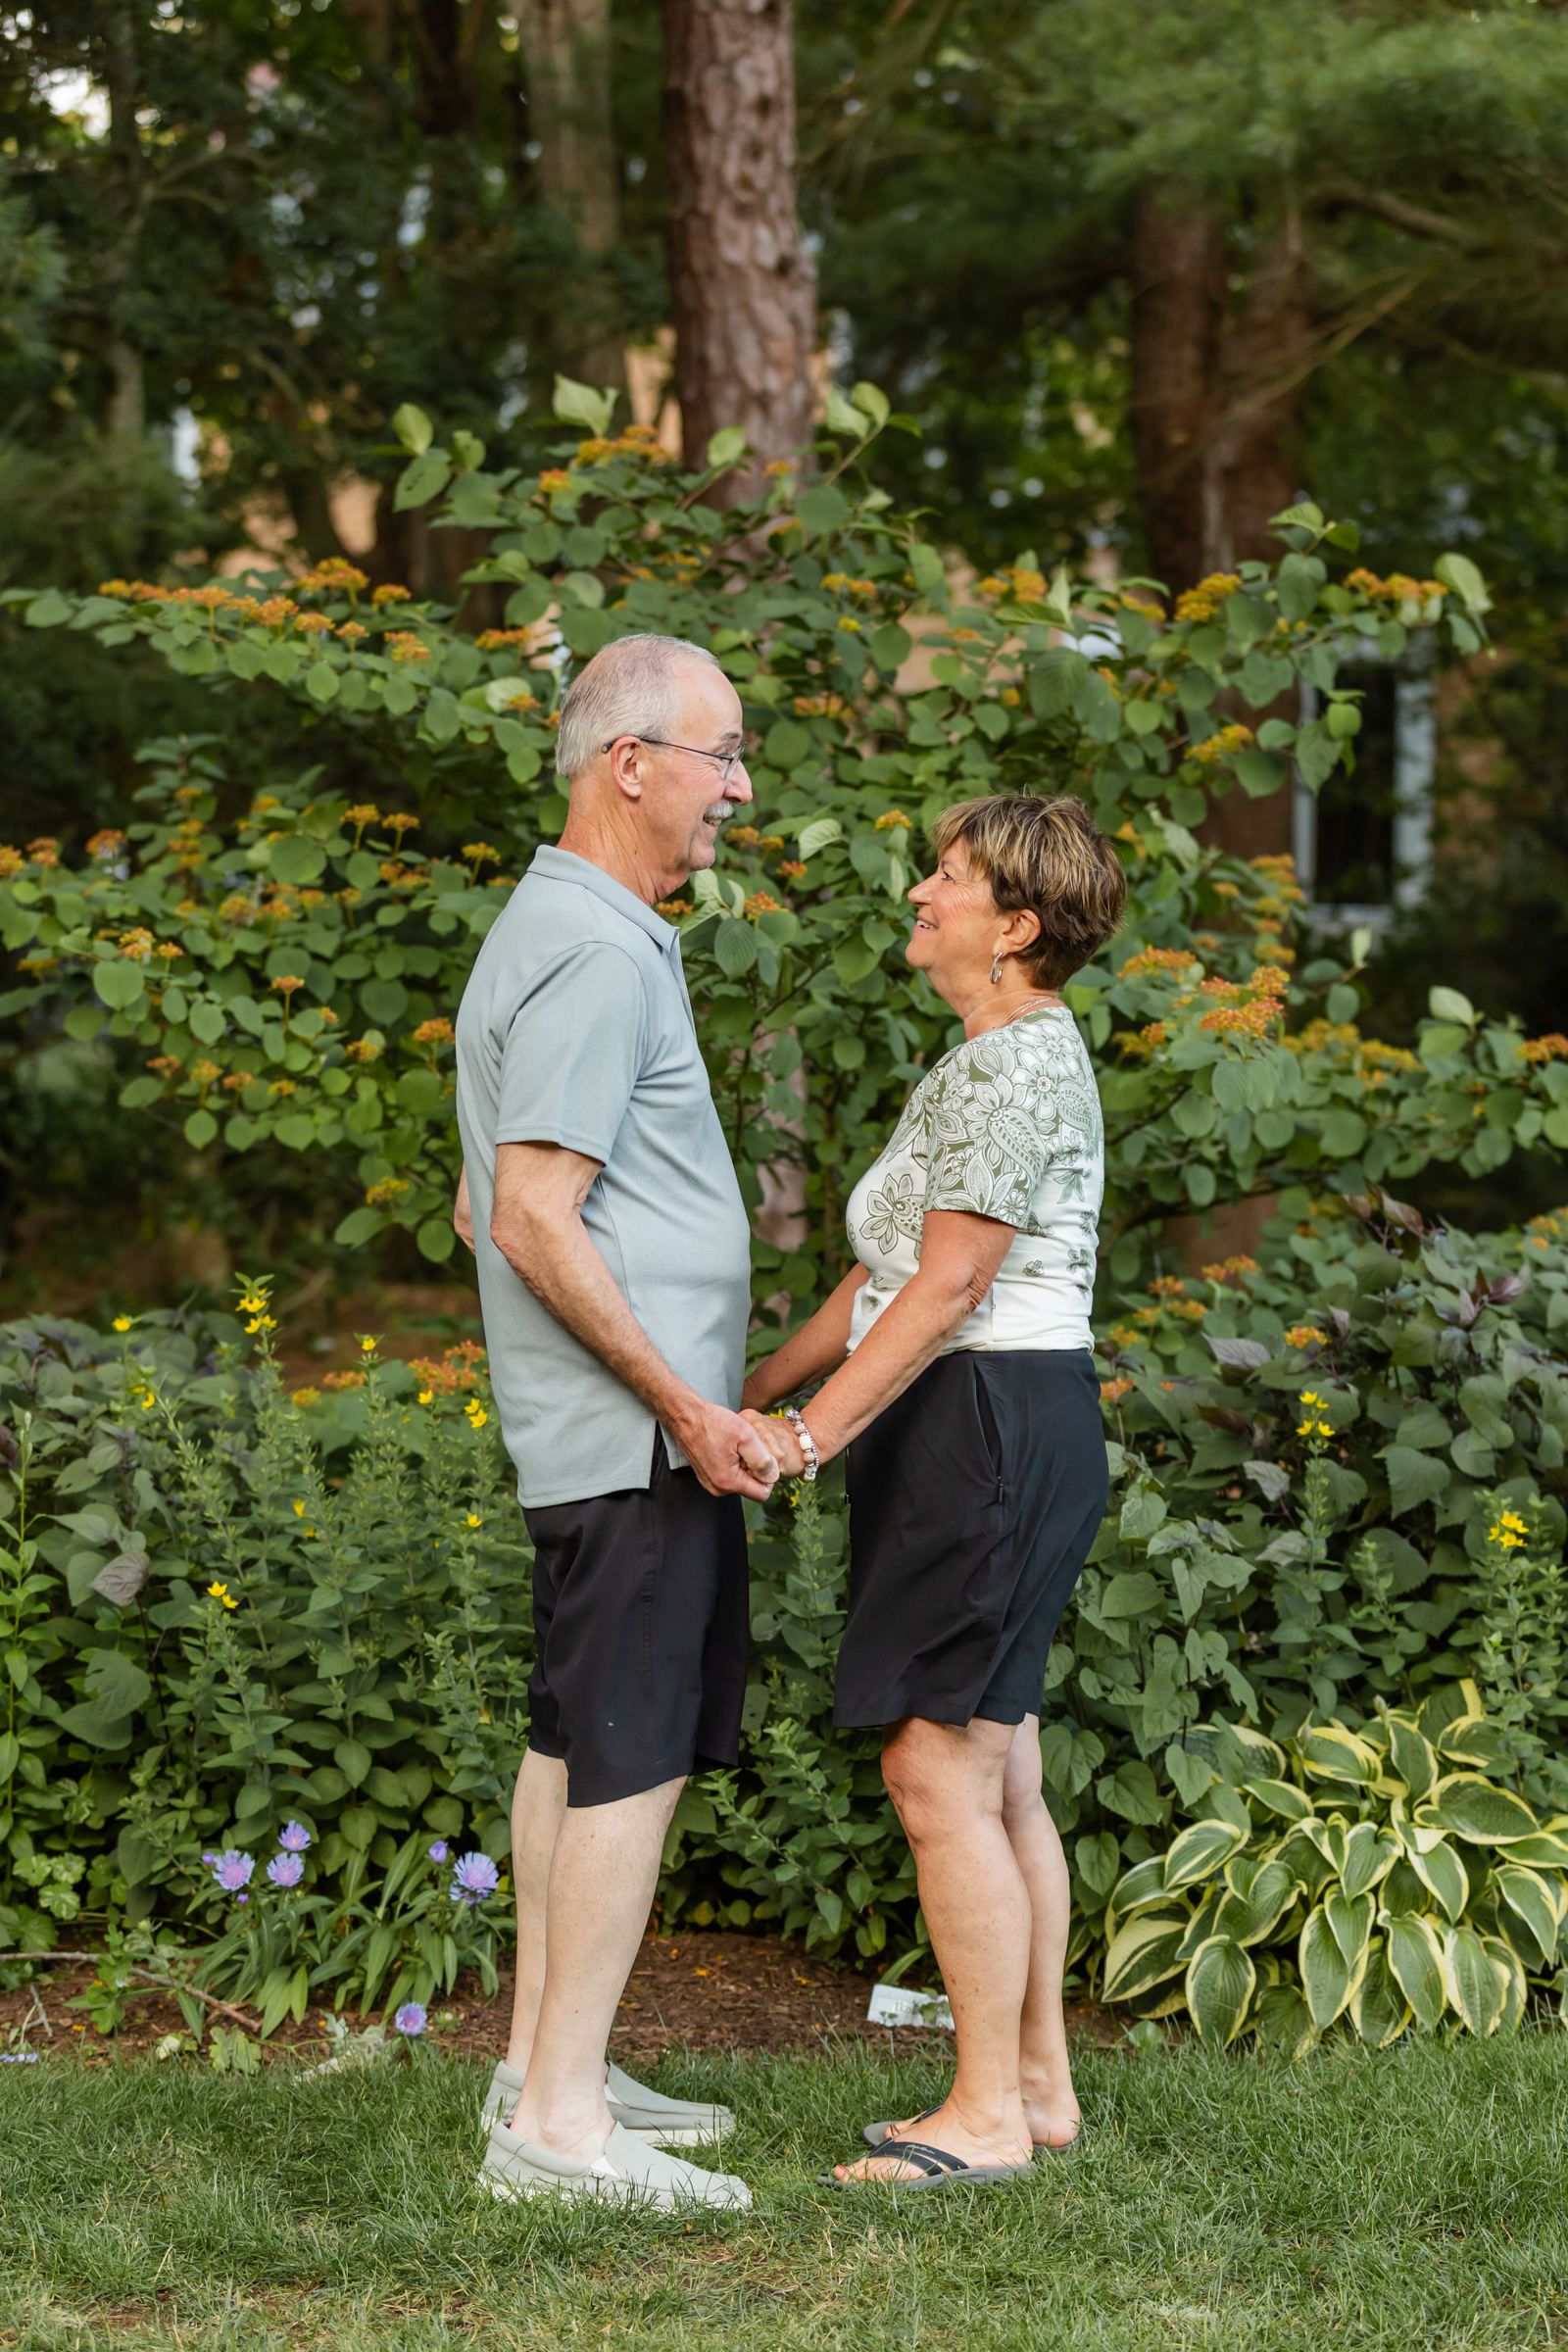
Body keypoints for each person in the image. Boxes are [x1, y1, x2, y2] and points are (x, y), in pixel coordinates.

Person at [742, 793, 1125, 2192]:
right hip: (980, 1421)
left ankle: (980, 2119)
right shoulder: (981, 1060)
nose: (920, 890)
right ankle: (1034, 2088)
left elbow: (956, 1285)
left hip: (986, 1424)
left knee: (937, 1771)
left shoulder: (1011, 1066)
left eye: (949, 878)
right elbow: (884, 1278)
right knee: (999, 1768)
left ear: (1014, 927)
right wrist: (758, 1393)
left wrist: (804, 1445)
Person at [452, 631, 778, 2212]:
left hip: (594, 1435)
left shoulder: (566, 928)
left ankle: (539, 2064)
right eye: (720, 753)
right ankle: (560, 2130)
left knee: (570, 1744)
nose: (738, 785)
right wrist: (678, 1404)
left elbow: (474, 1200)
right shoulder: (591, 947)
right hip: (634, 1441)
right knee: (627, 1759)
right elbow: (525, 1212)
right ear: (625, 764)